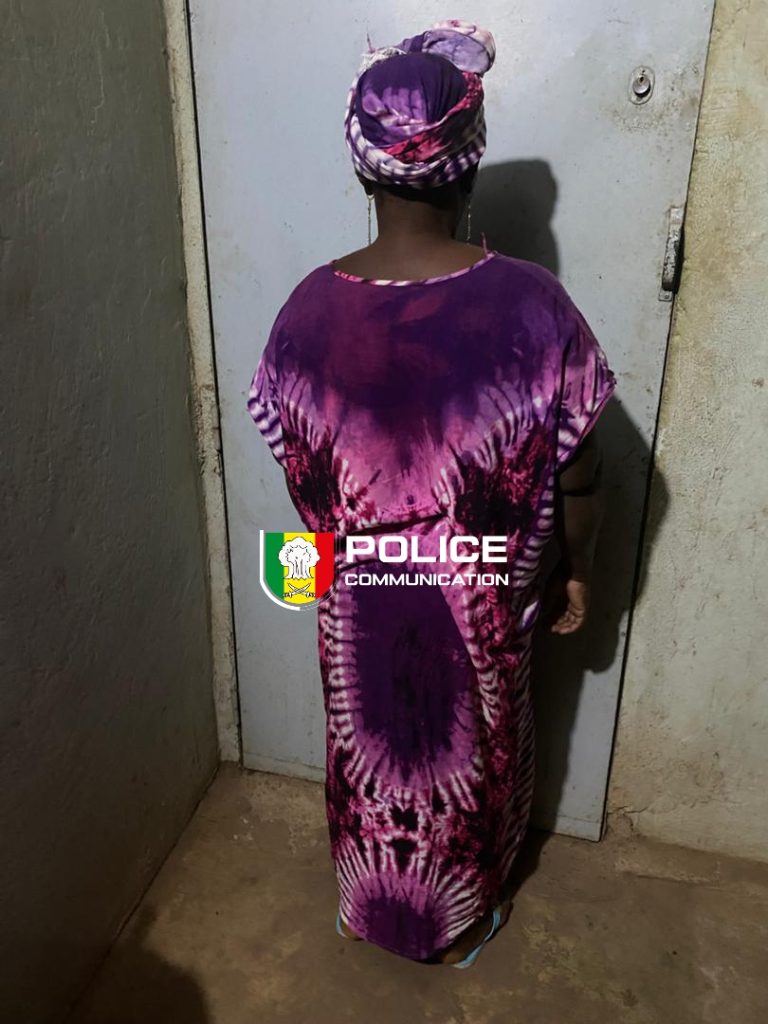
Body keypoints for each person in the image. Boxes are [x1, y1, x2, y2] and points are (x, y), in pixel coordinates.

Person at [248, 20, 615, 967]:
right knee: (478, 748)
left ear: (362, 168)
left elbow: (296, 469)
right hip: (482, 603)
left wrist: (334, 563)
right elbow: (581, 471)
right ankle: (464, 916)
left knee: (362, 738)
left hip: (354, 595)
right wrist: (579, 566)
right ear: (468, 167)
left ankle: (362, 901)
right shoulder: (535, 308)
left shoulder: (302, 312)